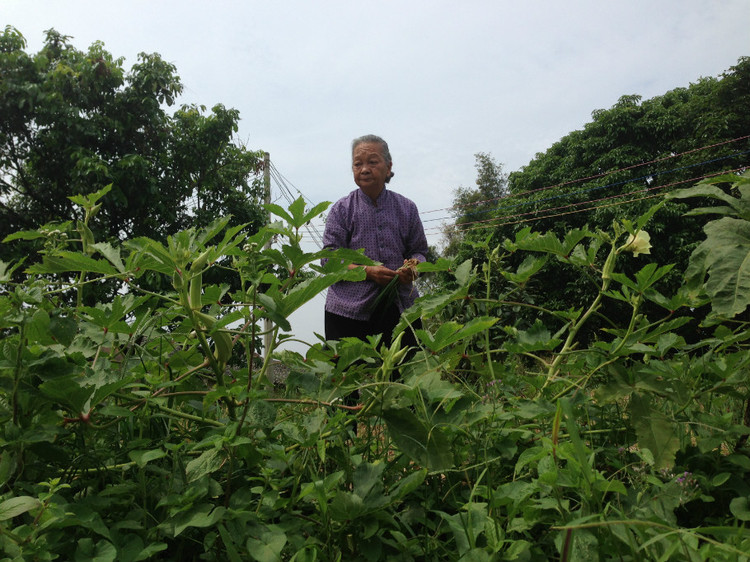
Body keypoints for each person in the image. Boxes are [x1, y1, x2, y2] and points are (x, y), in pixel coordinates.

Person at [323, 134, 428, 350]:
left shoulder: (407, 208)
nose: (364, 169)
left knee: (406, 375)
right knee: (350, 379)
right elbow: (328, 260)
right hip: (347, 312)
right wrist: (368, 272)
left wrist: (413, 268)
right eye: (357, 163)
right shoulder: (341, 210)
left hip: (400, 308)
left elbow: (419, 252)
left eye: (372, 162)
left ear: (388, 167)